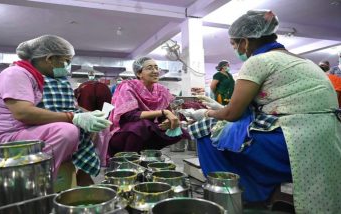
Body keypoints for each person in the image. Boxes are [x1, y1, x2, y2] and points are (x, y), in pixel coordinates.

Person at [188, 10, 341, 213]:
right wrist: (219, 107)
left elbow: (233, 113)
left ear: (245, 41)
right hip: (329, 137)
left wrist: (206, 113)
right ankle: (259, 189)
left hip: (294, 141)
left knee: (205, 131)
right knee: (230, 128)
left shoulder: (258, 61)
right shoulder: (305, 62)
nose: (236, 50)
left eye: (234, 45)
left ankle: (239, 193)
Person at [0, 35, 111, 178]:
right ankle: (38, 181)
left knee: (101, 127)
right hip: (10, 136)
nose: (67, 67)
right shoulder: (15, 73)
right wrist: (73, 117)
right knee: (66, 131)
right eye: (66, 61)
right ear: (50, 59)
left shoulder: (43, 78)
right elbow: (23, 113)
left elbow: (71, 106)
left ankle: (82, 174)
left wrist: (91, 115)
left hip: (32, 130)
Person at [107, 57, 189, 156]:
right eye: (149, 68)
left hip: (147, 130)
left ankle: (149, 155)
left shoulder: (161, 90)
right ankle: (129, 158)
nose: (155, 71)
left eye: (156, 68)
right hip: (126, 133)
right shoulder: (129, 87)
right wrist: (164, 112)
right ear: (139, 73)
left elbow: (167, 114)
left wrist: (167, 122)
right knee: (141, 125)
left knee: (178, 131)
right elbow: (131, 115)